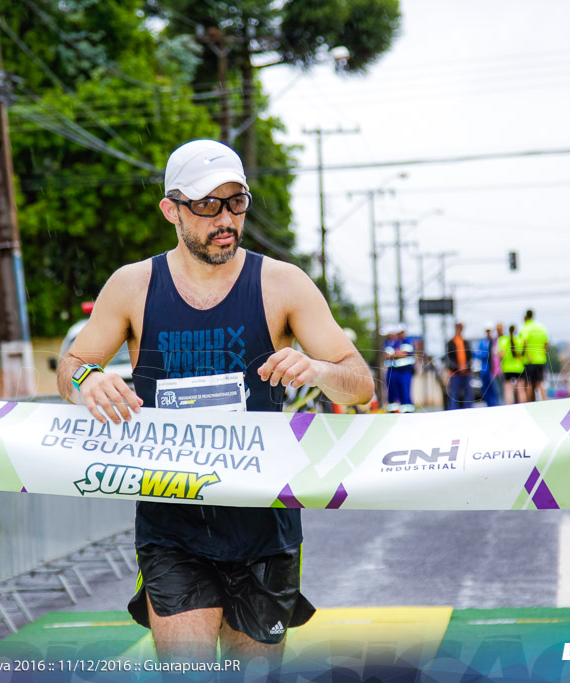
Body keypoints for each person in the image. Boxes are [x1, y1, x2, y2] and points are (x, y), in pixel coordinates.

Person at [56, 139, 374, 674]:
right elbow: (72, 364)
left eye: (236, 202)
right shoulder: (133, 286)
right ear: (171, 210)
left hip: (263, 526)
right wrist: (87, 378)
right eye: (207, 205)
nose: (225, 219)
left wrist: (318, 372)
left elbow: (359, 383)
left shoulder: (281, 283)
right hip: (172, 525)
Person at [384, 324, 415, 413]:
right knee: (394, 392)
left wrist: (395, 354)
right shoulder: (394, 342)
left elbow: (404, 353)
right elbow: (387, 355)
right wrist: (397, 353)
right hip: (394, 370)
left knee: (405, 392)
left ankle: (408, 411)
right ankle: (394, 411)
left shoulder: (407, 341)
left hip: (405, 371)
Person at [520, 309, 549, 401]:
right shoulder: (541, 327)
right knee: (539, 383)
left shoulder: (525, 327)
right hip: (540, 359)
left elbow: (523, 343)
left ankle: (529, 405)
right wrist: (542, 353)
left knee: (529, 384)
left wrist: (525, 354)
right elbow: (546, 344)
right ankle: (545, 402)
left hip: (529, 360)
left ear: (526, 317)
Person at [445, 322, 474, 409]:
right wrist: (458, 367)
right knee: (454, 394)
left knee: (468, 393)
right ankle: (453, 412)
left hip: (466, 373)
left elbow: (470, 356)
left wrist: (466, 366)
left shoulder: (465, 342)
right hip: (455, 373)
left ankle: (468, 411)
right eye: (458, 328)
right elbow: (448, 358)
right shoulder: (450, 343)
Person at [498, 323, 525, 404]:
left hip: (507, 368)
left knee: (508, 389)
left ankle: (510, 408)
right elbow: (522, 354)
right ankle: (523, 407)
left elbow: (501, 354)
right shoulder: (520, 340)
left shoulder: (503, 340)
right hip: (519, 367)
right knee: (521, 389)